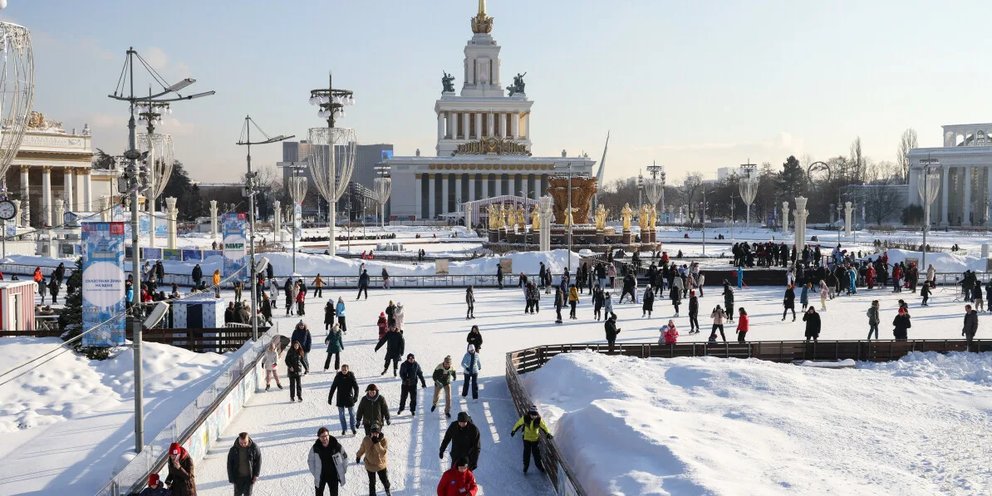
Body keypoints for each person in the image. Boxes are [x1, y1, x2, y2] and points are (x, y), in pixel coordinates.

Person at [510, 404, 553, 474]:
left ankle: (539, 466)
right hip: (526, 438)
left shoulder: (539, 420)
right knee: (527, 453)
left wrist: (547, 433)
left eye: (535, 415)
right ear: (529, 413)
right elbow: (518, 424)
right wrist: (513, 430)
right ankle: (525, 466)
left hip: (535, 440)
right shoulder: (525, 418)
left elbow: (544, 427)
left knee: (536, 454)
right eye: (532, 415)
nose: (534, 416)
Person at [308, 427, 348, 496]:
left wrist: (343, 470)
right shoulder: (315, 448)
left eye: (326, 436)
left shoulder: (336, 446)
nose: (324, 438)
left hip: (333, 476)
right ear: (319, 437)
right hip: (321, 476)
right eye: (322, 436)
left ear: (328, 435)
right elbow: (310, 461)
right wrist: (315, 473)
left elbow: (345, 457)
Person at [356, 425, 391, 496]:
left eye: (377, 433)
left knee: (384, 480)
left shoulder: (383, 440)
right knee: (372, 482)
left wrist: (377, 443)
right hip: (370, 464)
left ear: (379, 432)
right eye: (373, 433)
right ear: (370, 432)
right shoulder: (366, 439)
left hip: (380, 464)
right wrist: (358, 455)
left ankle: (387, 489)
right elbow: (362, 448)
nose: (375, 434)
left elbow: (383, 452)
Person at [327, 364, 359, 436]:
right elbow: (333, 387)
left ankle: (353, 428)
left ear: (348, 370)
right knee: (341, 415)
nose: (344, 371)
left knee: (352, 414)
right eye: (343, 370)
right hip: (340, 398)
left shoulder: (351, 376)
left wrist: (355, 397)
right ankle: (344, 429)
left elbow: (356, 387)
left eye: (345, 370)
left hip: (349, 398)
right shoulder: (338, 376)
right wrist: (330, 398)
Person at [226, 432, 261, 496]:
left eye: (245, 442)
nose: (243, 444)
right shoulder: (233, 450)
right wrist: (231, 477)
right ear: (238, 440)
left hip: (249, 478)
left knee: (248, 494)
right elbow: (229, 464)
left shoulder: (254, 448)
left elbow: (258, 461)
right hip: (238, 477)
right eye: (241, 443)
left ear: (248, 439)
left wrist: (256, 475)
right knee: (237, 494)